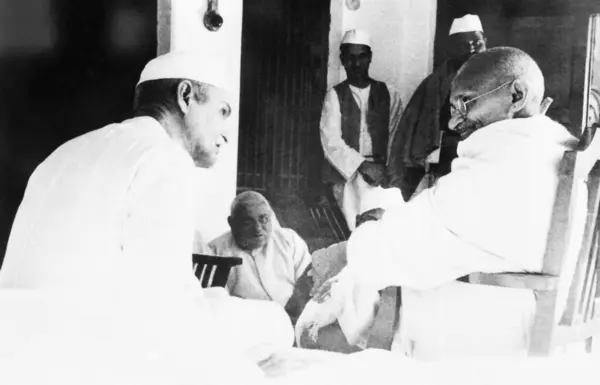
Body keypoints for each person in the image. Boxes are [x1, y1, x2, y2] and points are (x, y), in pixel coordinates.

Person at [0, 51, 292, 382]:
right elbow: (167, 313)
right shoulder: (164, 159)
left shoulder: (63, 152)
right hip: (84, 352)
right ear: (186, 96)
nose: (226, 132)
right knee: (273, 321)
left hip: (15, 343)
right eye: (222, 111)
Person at [311, 47, 583, 360]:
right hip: (525, 304)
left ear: (516, 94)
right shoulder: (544, 144)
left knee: (347, 301)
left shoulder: (509, 155)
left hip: (493, 320)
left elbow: (417, 241)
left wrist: (361, 239)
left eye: (465, 103)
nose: (455, 122)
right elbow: (450, 224)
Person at [387, 14, 487, 201]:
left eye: (477, 43)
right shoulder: (435, 83)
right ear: (452, 49)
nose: (471, 49)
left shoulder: (498, 78)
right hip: (448, 160)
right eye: (463, 45)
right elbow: (420, 133)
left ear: (486, 42)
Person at [320, 29, 403, 231]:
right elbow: (331, 141)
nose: (356, 64)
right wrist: (363, 166)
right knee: (355, 232)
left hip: (382, 175)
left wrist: (389, 170)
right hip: (348, 176)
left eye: (362, 57)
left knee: (385, 230)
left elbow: (396, 135)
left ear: (370, 57)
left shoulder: (389, 93)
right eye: (350, 58)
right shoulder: (334, 95)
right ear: (342, 59)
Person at [209, 191, 313, 325]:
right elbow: (218, 305)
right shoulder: (216, 250)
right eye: (248, 222)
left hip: (294, 320)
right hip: (247, 326)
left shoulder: (289, 240)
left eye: (263, 219)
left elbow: (308, 282)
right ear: (232, 223)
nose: (257, 228)